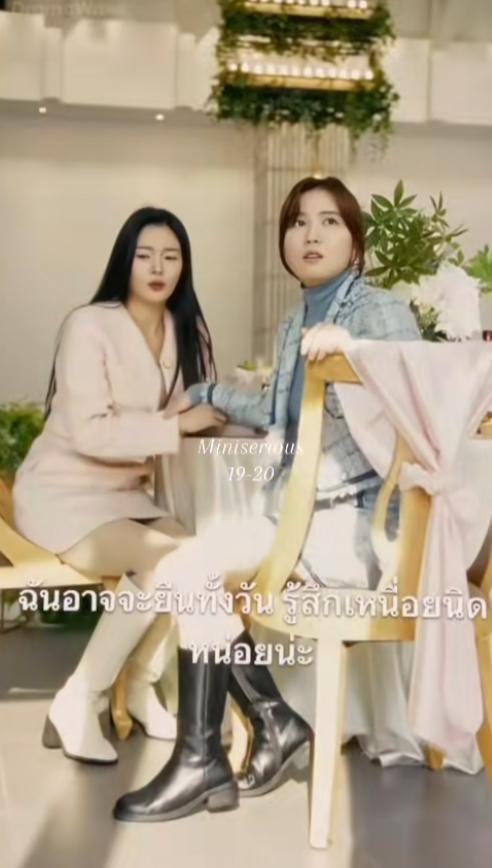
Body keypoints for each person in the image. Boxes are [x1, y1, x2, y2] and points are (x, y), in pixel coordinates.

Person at [111, 176, 421, 824]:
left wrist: (357, 351)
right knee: (187, 568)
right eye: (298, 222)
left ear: (356, 242)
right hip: (298, 518)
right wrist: (209, 394)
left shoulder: (379, 310)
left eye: (329, 222)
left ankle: (232, 744)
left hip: (358, 529)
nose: (310, 234)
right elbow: (277, 412)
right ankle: (252, 731)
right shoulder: (295, 321)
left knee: (195, 568)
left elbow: (420, 390)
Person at [13, 206, 226, 765]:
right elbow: (90, 431)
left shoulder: (189, 331)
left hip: (127, 497)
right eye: (144, 255)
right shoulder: (89, 325)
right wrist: (178, 426)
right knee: (171, 561)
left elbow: (199, 404)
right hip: (64, 494)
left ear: (184, 266)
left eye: (171, 257)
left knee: (203, 558)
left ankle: (139, 685)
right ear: (124, 261)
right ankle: (80, 697)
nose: (158, 268)